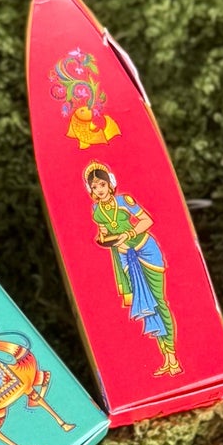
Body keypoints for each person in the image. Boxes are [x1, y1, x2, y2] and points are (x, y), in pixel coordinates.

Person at [84, 161, 180, 376]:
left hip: (145, 250)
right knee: (147, 304)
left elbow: (147, 220)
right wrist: (104, 239)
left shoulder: (124, 201)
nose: (99, 190)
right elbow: (103, 233)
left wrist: (129, 234)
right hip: (124, 256)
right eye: (95, 186)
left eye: (102, 184)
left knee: (159, 301)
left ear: (110, 183)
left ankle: (173, 356)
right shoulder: (96, 210)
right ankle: (165, 358)